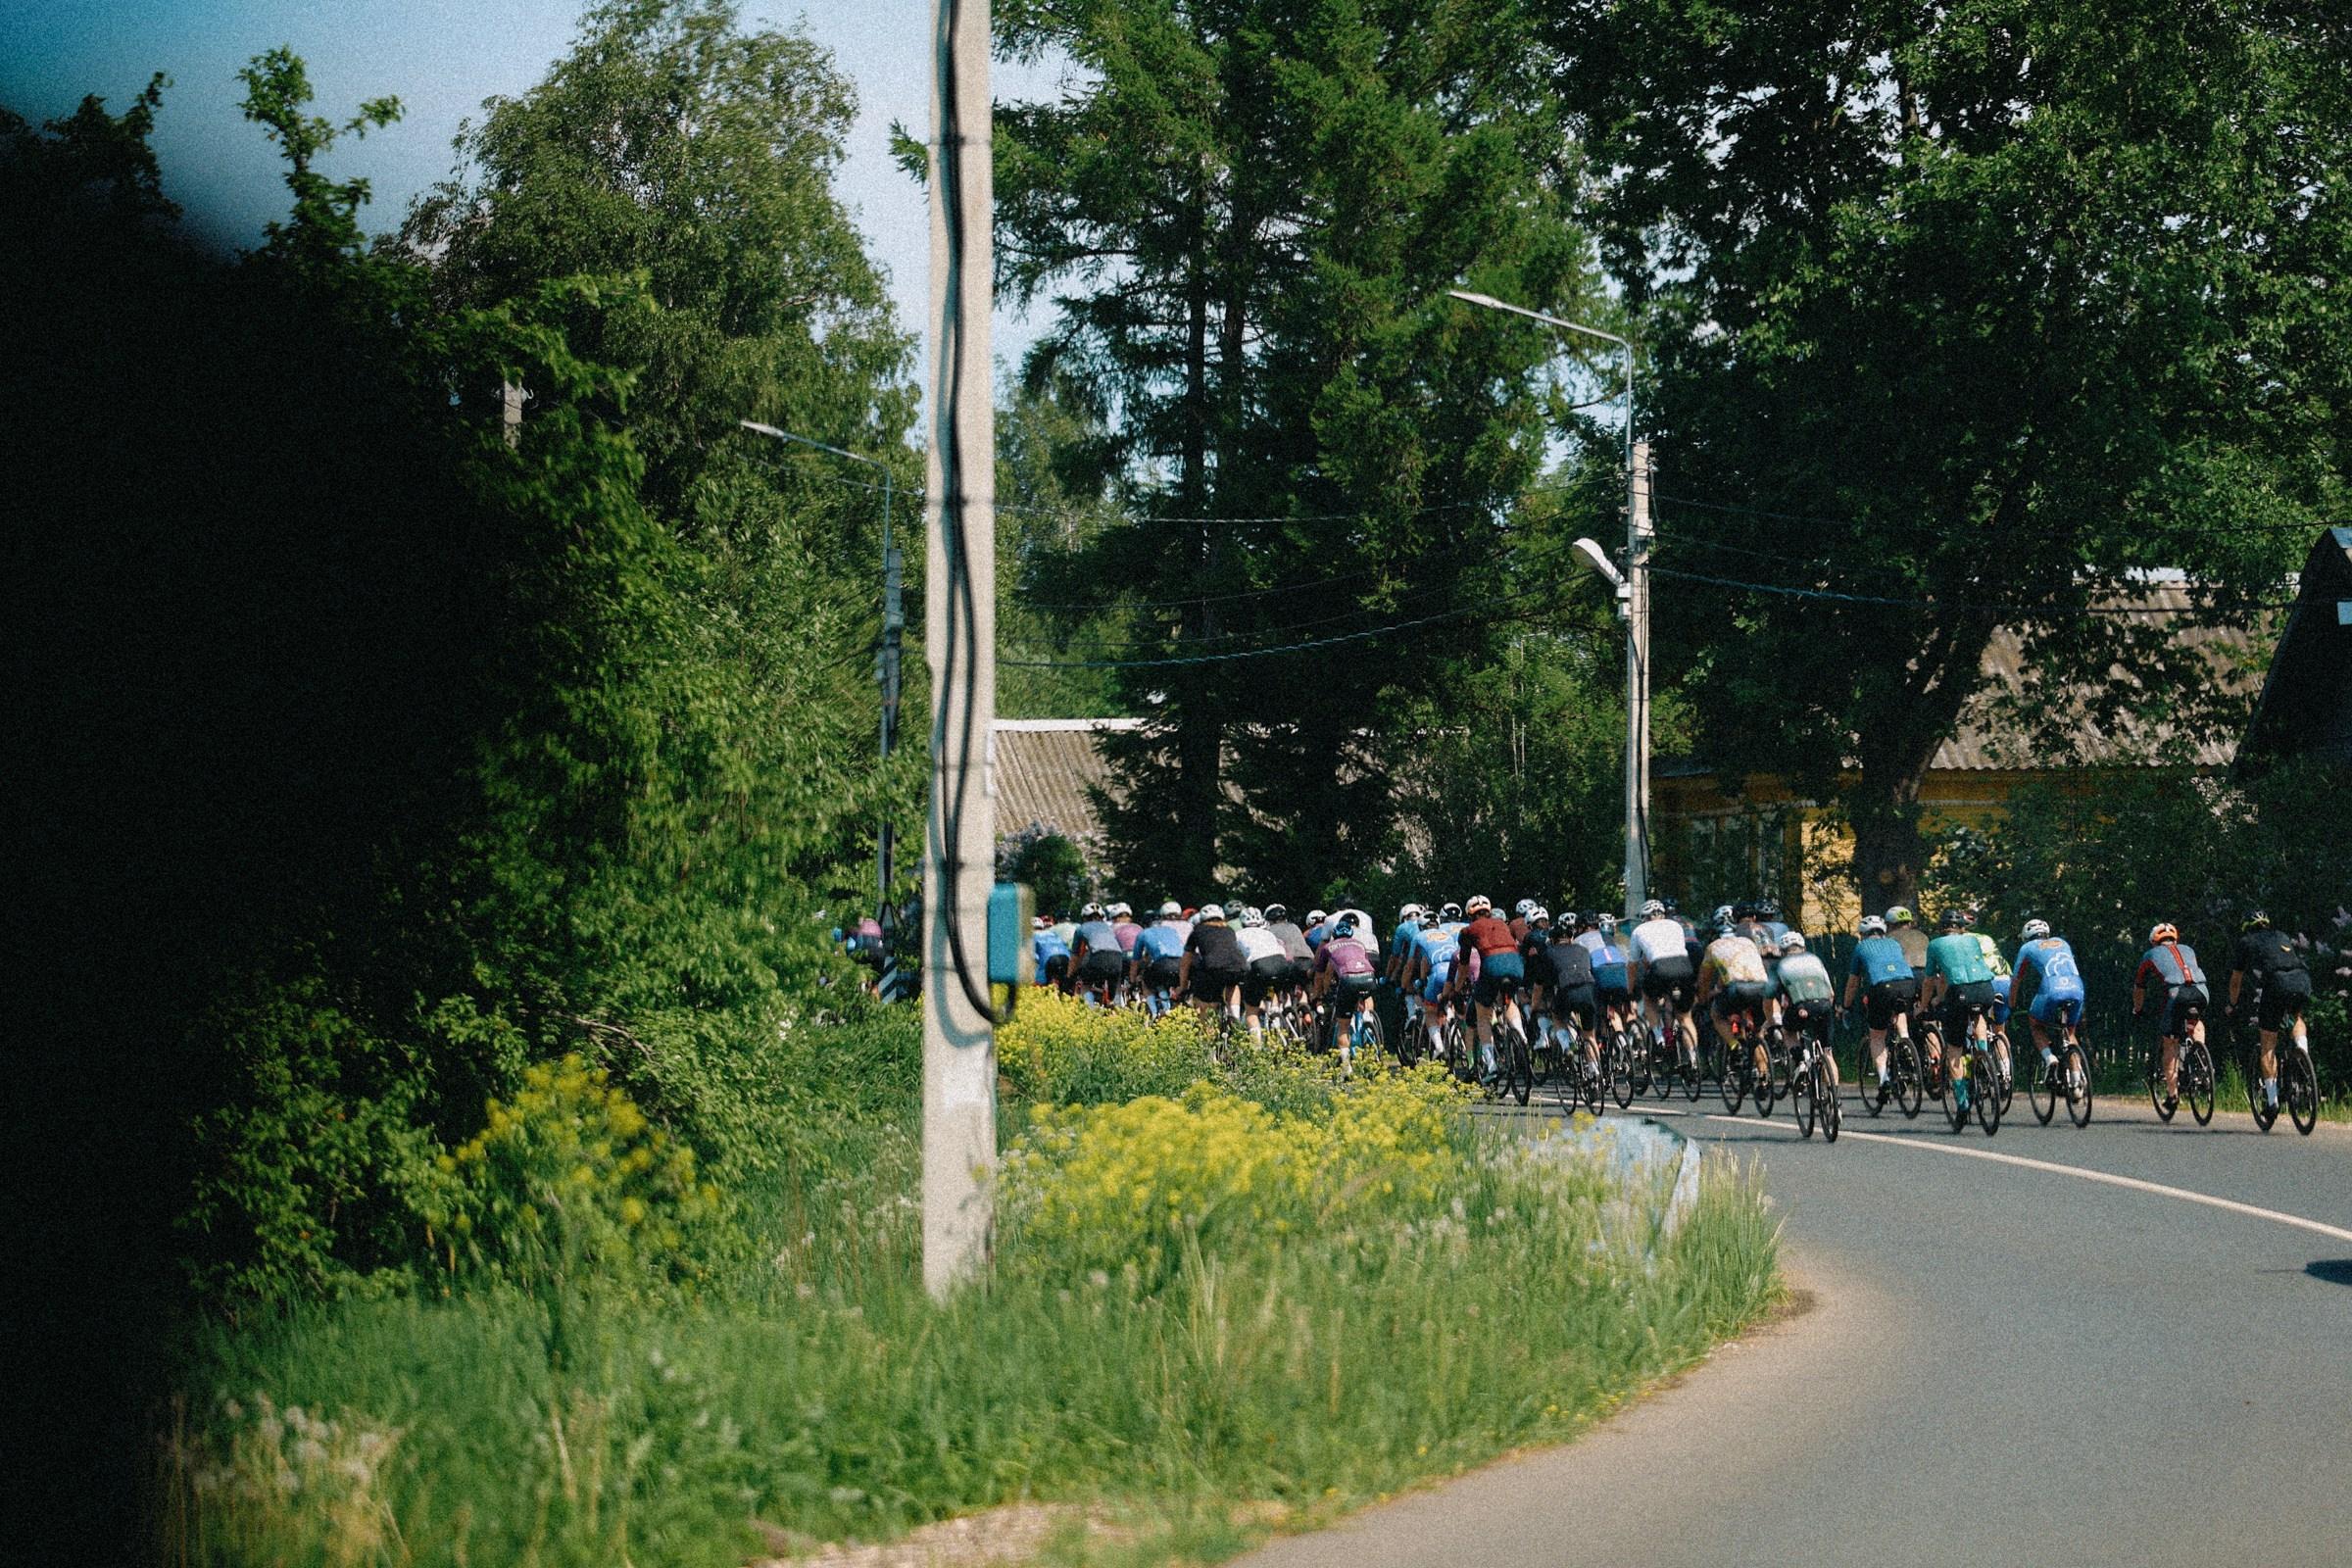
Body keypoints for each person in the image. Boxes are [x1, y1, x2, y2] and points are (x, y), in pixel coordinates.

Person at [2228, 910, 2312, 1115]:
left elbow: (2236, 979)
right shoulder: (2281, 935)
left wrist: (2232, 1004)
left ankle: (2272, 1101)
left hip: (2276, 983)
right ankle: (2302, 1053)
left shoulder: (2246, 941)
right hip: (2301, 979)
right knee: (2296, 1016)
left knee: (2267, 1040)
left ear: (2246, 928)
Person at [1922, 907, 2001, 1102]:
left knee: (1954, 1049)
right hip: (1985, 988)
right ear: (1962, 928)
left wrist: (1924, 1006)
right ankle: (1983, 1053)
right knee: (1979, 1015)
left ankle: (1962, 1102)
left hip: (1959, 992)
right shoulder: (1972, 940)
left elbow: (1931, 980)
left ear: (1942, 928)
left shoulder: (1935, 944)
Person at [2132, 921, 2208, 1109]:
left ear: (2154, 941)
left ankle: (2173, 1095)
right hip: (2202, 991)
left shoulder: (2150, 955)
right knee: (2196, 1022)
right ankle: (2200, 1056)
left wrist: (2138, 1009)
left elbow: (2140, 986)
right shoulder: (2188, 950)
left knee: (2170, 1041)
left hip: (2176, 994)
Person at [1842, 914, 1920, 1091]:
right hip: (1908, 983)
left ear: (1863, 933)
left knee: (1877, 1036)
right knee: (1899, 1010)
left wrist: (1845, 1006)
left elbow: (1853, 982)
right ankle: (1906, 1041)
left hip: (1882, 987)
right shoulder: (1894, 943)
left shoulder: (1861, 947)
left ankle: (1883, 1078)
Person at [1453, 895, 1526, 1081]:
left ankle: (1491, 1064)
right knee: (1508, 1002)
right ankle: (1521, 1036)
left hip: (1492, 964)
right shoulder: (1502, 924)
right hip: (1516, 964)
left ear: (1470, 914)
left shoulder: (1467, 931)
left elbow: (1463, 966)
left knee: (1482, 1013)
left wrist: (1457, 989)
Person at [1695, 912, 1773, 1080]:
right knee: (1756, 1032)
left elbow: (1704, 981)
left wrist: (1702, 1001)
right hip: (1762, 987)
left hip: (1737, 988)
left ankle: (1734, 1045)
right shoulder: (1748, 942)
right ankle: (1764, 1077)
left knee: (1717, 1015)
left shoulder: (1713, 947)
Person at [2010, 918, 2085, 1081]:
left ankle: (2049, 1058)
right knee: (2070, 1032)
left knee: (2036, 1024)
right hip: (2077, 988)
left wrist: (2011, 1005)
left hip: (2052, 989)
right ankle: (2077, 1079)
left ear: (2026, 937)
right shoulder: (2062, 942)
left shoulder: (2027, 947)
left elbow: (2016, 980)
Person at [1629, 898, 1698, 1070]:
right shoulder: (1675, 926)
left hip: (1660, 968)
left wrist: (1630, 991)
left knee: (1649, 999)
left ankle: (1659, 1038)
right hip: (1684, 967)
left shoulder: (1639, 930)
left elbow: (1632, 965)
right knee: (1685, 1016)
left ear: (1644, 917)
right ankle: (1693, 1059)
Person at [1774, 931, 1838, 1084]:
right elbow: (1831, 993)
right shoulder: (1815, 960)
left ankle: (1800, 1062)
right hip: (1823, 1005)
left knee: (1788, 1031)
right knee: (1828, 1053)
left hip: (1800, 1008)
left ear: (1782, 952)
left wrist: (1771, 1019)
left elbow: (1770, 996)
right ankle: (1835, 1097)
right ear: (1803, 948)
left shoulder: (1780, 965)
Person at [1315, 912, 1382, 1051]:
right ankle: (1367, 1018)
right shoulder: (1359, 944)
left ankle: (1345, 1067)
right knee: (1365, 996)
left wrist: (1323, 993)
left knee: (1343, 1025)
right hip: (1370, 976)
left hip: (1348, 979)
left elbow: (1323, 974)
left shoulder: (1328, 947)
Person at [1179, 904, 1248, 1025]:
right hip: (1239, 967)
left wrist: (1183, 986)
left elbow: (1185, 962)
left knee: (1207, 1005)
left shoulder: (1198, 931)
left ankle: (1208, 1033)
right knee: (1233, 984)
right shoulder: (1229, 930)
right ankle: (1234, 1015)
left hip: (1213, 969)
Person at [1234, 907, 1292, 1036]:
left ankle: (1257, 1048)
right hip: (1282, 965)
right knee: (1271, 987)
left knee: (1251, 1011)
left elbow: (1237, 959)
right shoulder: (1268, 933)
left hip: (1261, 966)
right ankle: (1276, 1018)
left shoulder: (1239, 935)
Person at [1132, 906, 1188, 1013]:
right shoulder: (1171, 930)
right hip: (1180, 963)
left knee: (1147, 981)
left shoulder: (1143, 933)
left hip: (1163, 964)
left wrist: (1133, 980)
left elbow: (1136, 961)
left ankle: (1154, 1012)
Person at [1070, 903, 1126, 1004]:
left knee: (1085, 983)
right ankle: (1117, 1007)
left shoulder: (1081, 928)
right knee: (1115, 983)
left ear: (1085, 918)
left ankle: (1090, 1011)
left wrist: (1070, 974)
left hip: (1098, 957)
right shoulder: (1110, 928)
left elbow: (1075, 956)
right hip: (1117, 958)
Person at [1265, 903, 1316, 997]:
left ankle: (1273, 1001)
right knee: (1301, 983)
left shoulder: (1270, 931)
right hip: (1309, 961)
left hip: (1291, 962)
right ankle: (1311, 1003)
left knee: (1273, 983)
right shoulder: (1294, 927)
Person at [1886, 905, 1931, 978]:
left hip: (1905, 975)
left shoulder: (1890, 937)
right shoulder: (1923, 936)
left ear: (1890, 925)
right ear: (1910, 923)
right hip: (1926, 974)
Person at [1031, 914, 1071, 991]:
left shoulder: (1032, 936)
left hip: (1050, 962)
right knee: (1064, 990)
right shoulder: (1052, 934)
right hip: (1066, 959)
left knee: (1042, 988)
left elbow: (1034, 958)